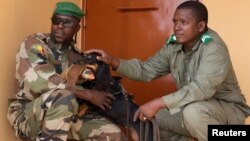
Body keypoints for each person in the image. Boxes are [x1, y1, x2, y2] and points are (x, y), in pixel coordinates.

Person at [85, 1, 250, 141]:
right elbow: (146, 70)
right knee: (148, 122)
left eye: (183, 22)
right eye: (175, 21)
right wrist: (114, 60)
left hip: (228, 110)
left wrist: (157, 103)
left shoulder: (214, 47)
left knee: (193, 114)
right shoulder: (174, 45)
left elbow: (202, 88)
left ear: (201, 26)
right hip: (194, 107)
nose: (177, 27)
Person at [7, 2, 123, 141]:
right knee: (64, 97)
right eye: (56, 21)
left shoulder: (78, 57)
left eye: (67, 23)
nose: (60, 26)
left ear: (77, 28)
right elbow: (41, 83)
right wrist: (89, 94)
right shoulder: (34, 44)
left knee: (112, 133)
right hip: (27, 115)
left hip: (66, 112)